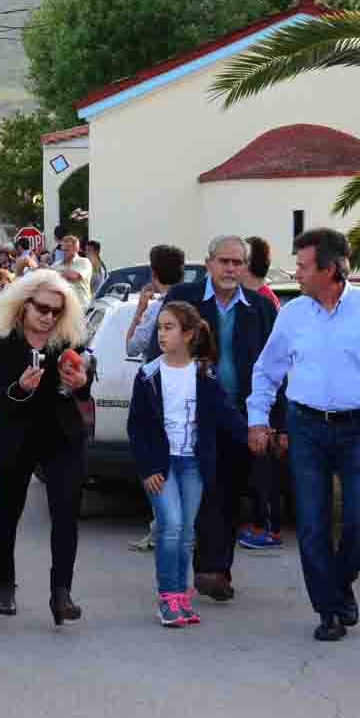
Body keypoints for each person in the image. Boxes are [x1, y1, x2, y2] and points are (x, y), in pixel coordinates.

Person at [248, 228, 360, 642]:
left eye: (303, 266)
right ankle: (328, 610)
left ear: (330, 269)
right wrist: (258, 418)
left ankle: (340, 585)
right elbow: (267, 371)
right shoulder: (292, 314)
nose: (296, 273)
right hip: (306, 427)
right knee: (312, 525)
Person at [144, 235, 280, 602]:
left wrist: (274, 422)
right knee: (201, 492)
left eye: (237, 263)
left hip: (241, 416)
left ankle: (215, 570)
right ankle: (202, 569)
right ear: (209, 264)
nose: (230, 269)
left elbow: (278, 366)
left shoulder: (260, 307)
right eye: (224, 261)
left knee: (230, 492)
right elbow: (156, 352)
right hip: (191, 415)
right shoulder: (183, 299)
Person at [0, 269, 96, 625]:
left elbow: (82, 384)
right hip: (16, 435)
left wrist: (81, 382)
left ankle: (61, 593)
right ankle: (5, 584)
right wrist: (20, 388)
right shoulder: (2, 341)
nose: (49, 317)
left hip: (62, 436)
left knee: (65, 512)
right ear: (23, 305)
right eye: (43, 309)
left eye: (57, 311)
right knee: (9, 510)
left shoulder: (67, 340)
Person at [129, 301, 248, 628]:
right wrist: (147, 468)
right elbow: (137, 427)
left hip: (193, 464)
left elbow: (226, 415)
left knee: (186, 532)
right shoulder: (149, 375)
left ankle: (181, 596)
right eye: (159, 328)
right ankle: (168, 598)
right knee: (170, 526)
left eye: (169, 328)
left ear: (189, 334)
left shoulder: (203, 374)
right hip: (161, 465)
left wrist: (255, 435)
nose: (161, 334)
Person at [124, 244, 190, 552]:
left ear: (153, 273)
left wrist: (139, 309)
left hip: (159, 394)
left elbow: (132, 346)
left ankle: (162, 529)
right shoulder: (190, 306)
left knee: (157, 461)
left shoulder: (157, 309)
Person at [241, 234, 287, 548]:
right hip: (255, 398)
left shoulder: (264, 301)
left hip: (266, 400)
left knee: (265, 468)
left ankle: (268, 527)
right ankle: (259, 522)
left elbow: (275, 361)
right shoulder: (254, 297)